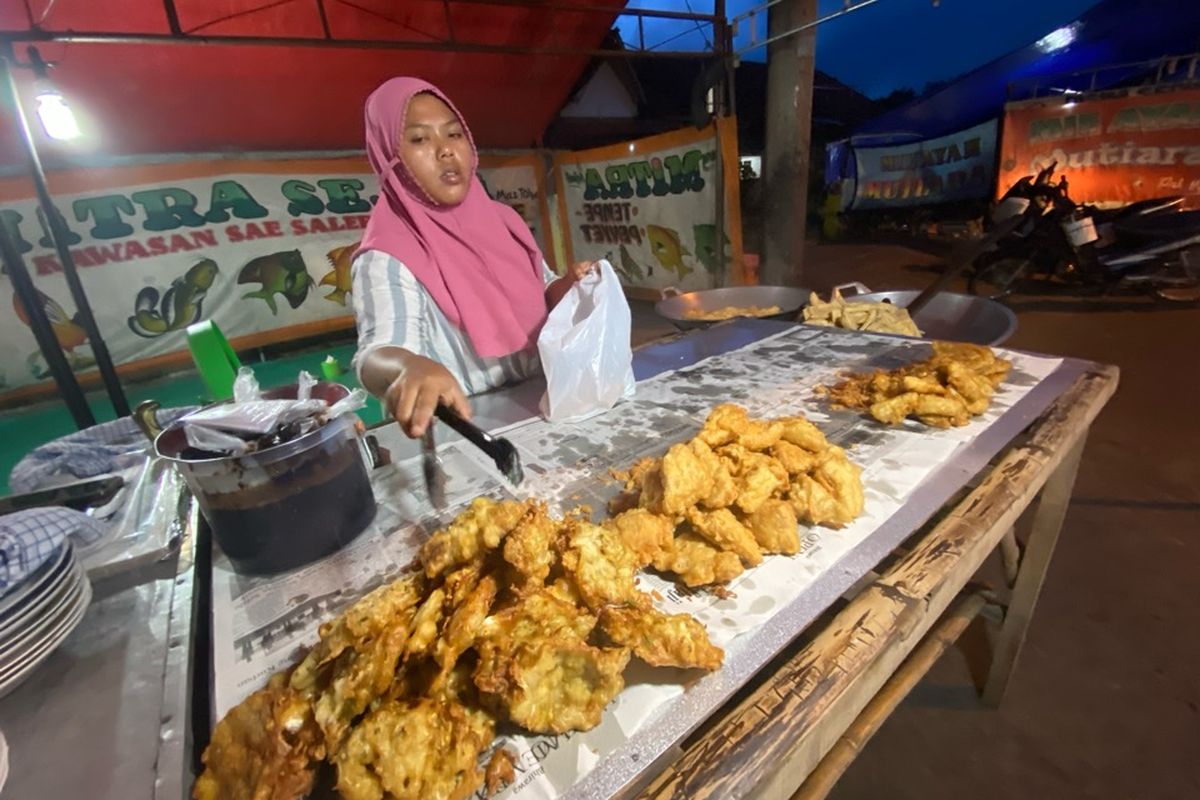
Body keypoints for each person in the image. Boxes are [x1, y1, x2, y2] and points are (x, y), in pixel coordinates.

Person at [350, 77, 594, 438]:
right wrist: (408, 366)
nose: (445, 150)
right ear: (390, 154)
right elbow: (377, 353)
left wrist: (570, 286)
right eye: (419, 139)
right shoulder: (387, 254)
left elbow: (542, 290)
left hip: (550, 403)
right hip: (473, 434)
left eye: (454, 134)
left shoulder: (504, 221)